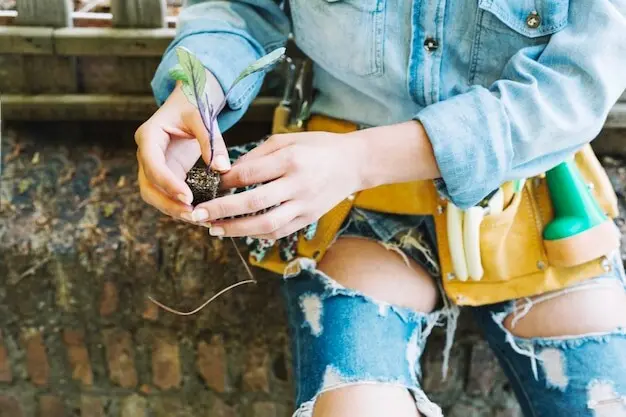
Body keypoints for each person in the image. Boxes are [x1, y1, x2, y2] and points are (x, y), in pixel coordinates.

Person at [134, 1, 626, 416]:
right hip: (352, 207)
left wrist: (360, 160)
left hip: (530, 201)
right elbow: (241, 8)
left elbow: (577, 84)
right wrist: (197, 92)